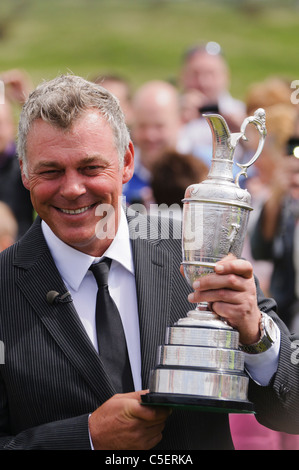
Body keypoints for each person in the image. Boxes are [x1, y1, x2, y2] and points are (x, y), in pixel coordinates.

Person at [0, 74, 299, 450]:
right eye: (51, 171)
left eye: (91, 168)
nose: (73, 188)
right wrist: (86, 438)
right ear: (25, 172)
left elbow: (294, 408)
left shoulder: (198, 251)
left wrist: (255, 336)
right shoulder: (3, 286)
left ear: (126, 162)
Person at [123, 80, 183, 205]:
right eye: (142, 126)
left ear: (179, 122)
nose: (150, 136)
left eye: (159, 126)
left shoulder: (203, 173)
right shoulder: (120, 174)